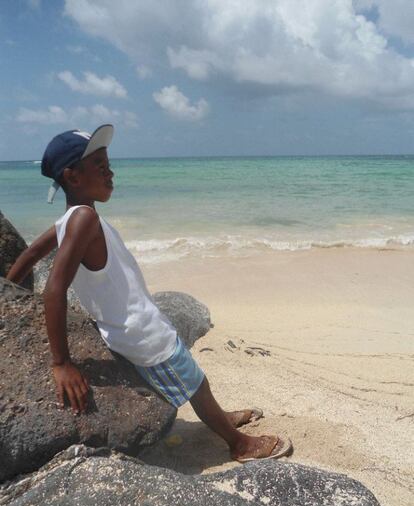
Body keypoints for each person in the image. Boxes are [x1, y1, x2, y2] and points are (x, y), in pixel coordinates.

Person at [7, 124, 292, 463]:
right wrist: (61, 363)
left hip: (137, 322)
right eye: (99, 165)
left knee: (196, 379)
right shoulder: (82, 220)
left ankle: (220, 417)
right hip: (139, 332)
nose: (110, 172)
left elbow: (28, 256)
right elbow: (55, 289)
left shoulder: (69, 220)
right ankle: (238, 444)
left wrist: (7, 289)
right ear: (72, 176)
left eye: (108, 163)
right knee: (195, 384)